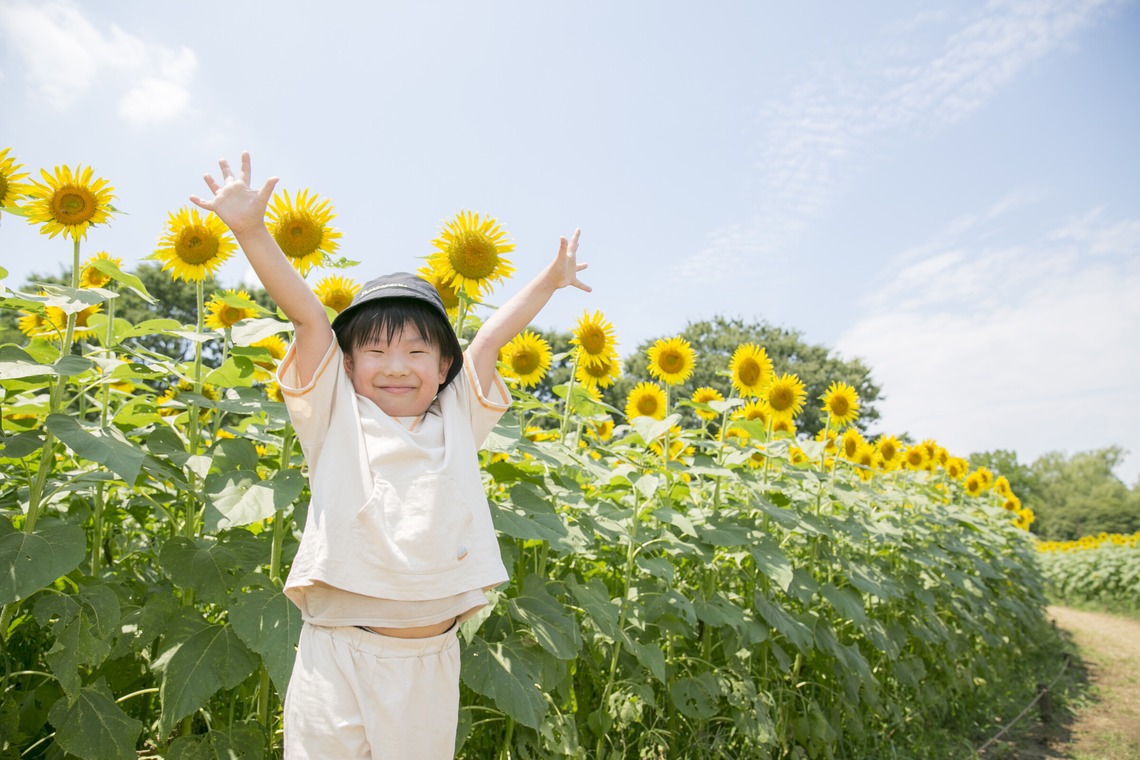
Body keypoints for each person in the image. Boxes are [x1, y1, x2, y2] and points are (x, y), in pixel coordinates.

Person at [190, 152, 589, 758]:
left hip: (427, 659)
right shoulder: (335, 417)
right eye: (374, 351)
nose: (396, 366)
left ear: (444, 367)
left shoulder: (459, 419)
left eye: (416, 352)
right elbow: (308, 316)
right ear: (346, 366)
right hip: (335, 650)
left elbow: (491, 337)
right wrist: (249, 229)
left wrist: (550, 280)